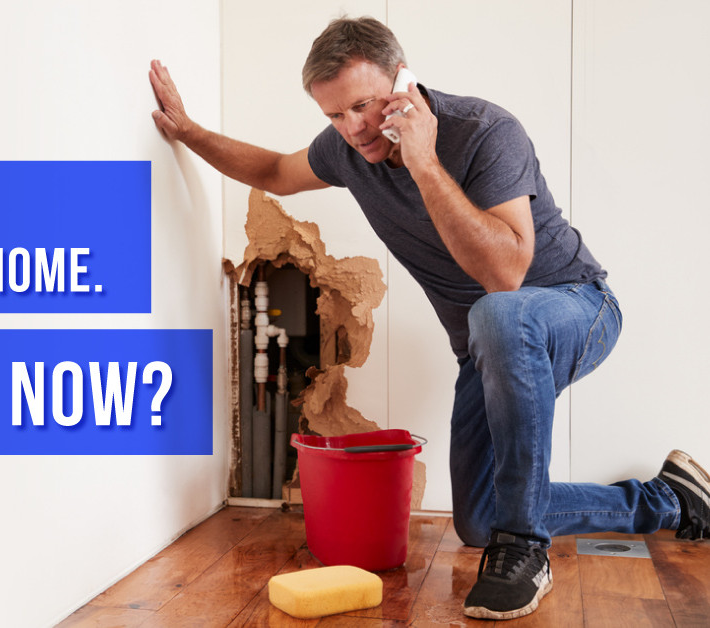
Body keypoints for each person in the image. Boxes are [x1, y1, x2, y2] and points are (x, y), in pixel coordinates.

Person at [149, 16, 710, 621]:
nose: (353, 129)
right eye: (334, 115)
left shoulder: (484, 132)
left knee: (498, 315)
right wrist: (188, 131)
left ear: (402, 80)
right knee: (478, 518)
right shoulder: (346, 150)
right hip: (487, 341)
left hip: (578, 306)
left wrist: (423, 162)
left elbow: (506, 275)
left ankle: (525, 548)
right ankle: (666, 503)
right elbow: (273, 172)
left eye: (362, 106)